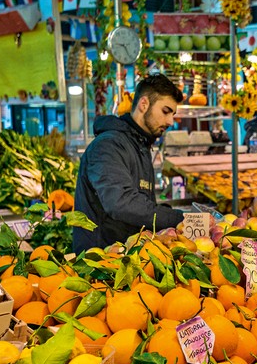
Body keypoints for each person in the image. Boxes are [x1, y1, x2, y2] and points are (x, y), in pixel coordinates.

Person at [73, 73, 185, 251]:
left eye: (173, 114)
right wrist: (179, 218)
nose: (170, 121)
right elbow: (121, 203)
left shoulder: (140, 145)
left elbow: (141, 203)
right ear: (144, 104)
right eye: (165, 111)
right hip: (101, 264)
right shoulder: (109, 145)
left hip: (128, 260)